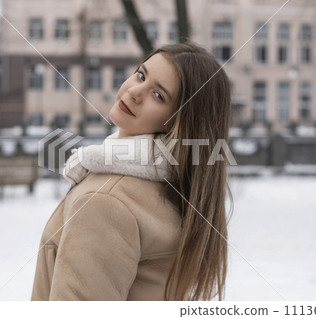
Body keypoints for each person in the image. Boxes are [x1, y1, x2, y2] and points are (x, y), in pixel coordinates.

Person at [31, 42, 232, 301]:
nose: (135, 91)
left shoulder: (107, 202)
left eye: (158, 95)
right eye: (141, 74)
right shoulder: (172, 190)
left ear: (179, 123)